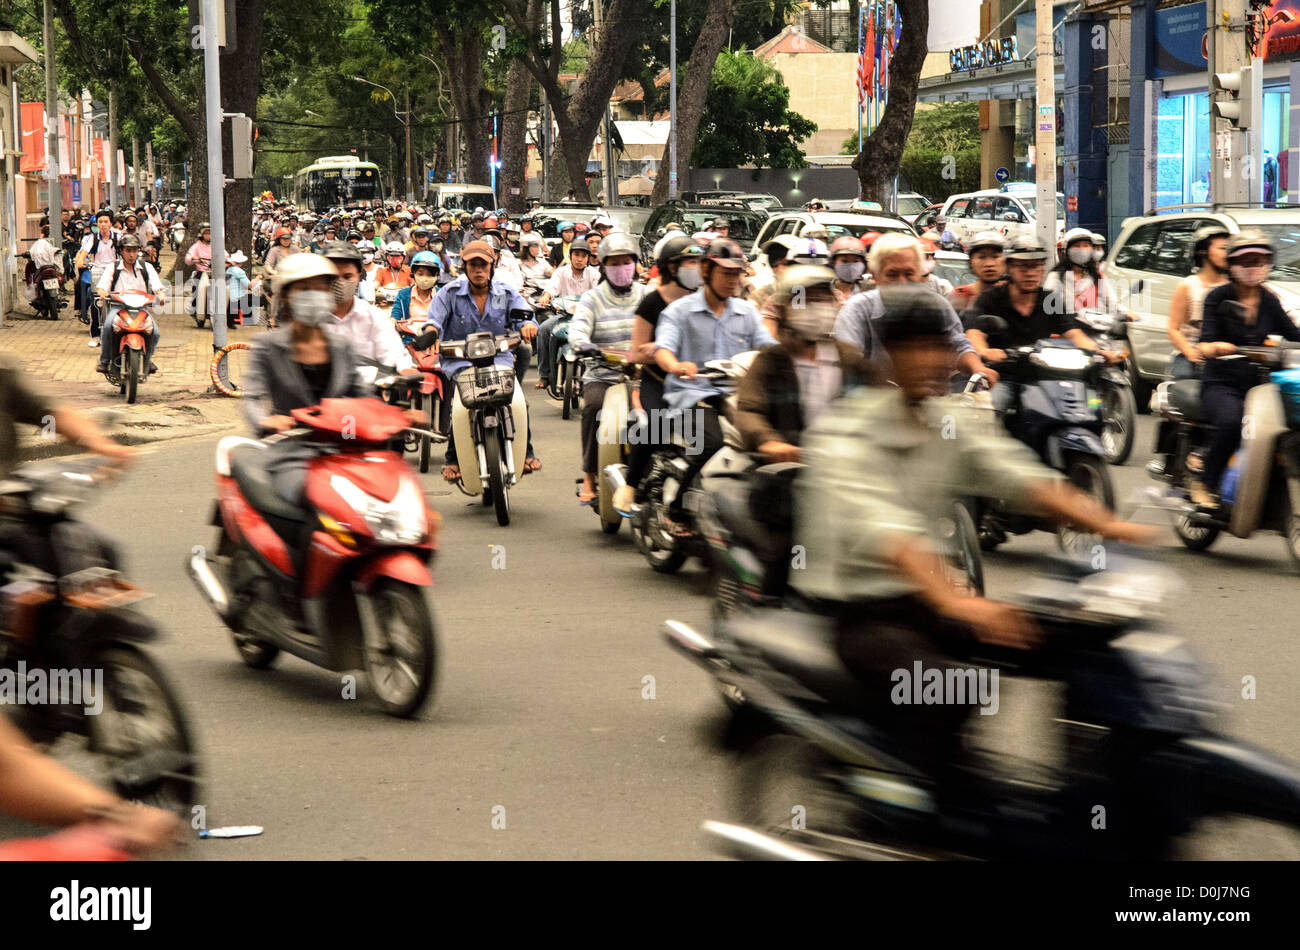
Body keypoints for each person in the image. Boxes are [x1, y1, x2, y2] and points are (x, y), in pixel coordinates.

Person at [793, 284, 1154, 792]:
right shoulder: (844, 435)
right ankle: (926, 812)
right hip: (864, 613)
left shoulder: (946, 421)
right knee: (956, 689)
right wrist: (963, 603)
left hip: (932, 604)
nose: (938, 360)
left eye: (942, 347)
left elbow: (1014, 474)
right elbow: (885, 530)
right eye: (920, 347)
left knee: (1076, 642)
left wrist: (1109, 523)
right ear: (890, 354)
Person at [653, 238, 778, 535]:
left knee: (766, 443)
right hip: (691, 395)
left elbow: (770, 350)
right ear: (706, 271)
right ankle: (677, 508)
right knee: (712, 444)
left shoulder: (746, 313)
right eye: (726, 273)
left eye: (737, 274)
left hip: (736, 396)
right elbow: (662, 349)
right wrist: (676, 366)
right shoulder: (679, 311)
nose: (733, 280)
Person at [241, 253, 376, 509]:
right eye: (305, 289)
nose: (315, 295)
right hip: (291, 453)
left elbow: (363, 395)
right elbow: (252, 399)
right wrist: (266, 421)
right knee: (319, 502)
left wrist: (395, 414)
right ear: (289, 295)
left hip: (343, 447)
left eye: (321, 288)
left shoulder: (341, 345)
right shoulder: (267, 346)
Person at [1193, 230, 1300, 507]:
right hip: (1222, 384)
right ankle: (1204, 482)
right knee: (1232, 422)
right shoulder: (1218, 297)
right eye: (1247, 260)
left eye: (1260, 259)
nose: (1254, 266)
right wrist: (1216, 347)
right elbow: (1204, 342)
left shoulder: (1269, 300)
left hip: (1261, 386)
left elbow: (1292, 334)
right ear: (1232, 264)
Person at [735, 265, 879, 464]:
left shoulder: (849, 358)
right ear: (784, 309)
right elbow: (749, 410)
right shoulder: (770, 361)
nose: (816, 307)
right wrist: (768, 441)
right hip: (785, 468)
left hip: (843, 466)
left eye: (822, 299)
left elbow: (882, 398)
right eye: (804, 299)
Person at [427, 240, 541, 481]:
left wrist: (529, 325)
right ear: (465, 266)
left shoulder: (506, 292)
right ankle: (454, 459)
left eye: (483, 265)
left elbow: (524, 315)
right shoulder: (449, 293)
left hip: (498, 357)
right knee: (460, 406)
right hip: (460, 361)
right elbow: (434, 321)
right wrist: (430, 332)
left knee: (517, 400)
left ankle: (527, 452)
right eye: (473, 265)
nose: (478, 270)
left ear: (493, 265)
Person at [835, 233, 996, 386]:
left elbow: (958, 345)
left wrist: (978, 370)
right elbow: (850, 358)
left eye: (909, 273)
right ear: (875, 275)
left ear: (920, 274)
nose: (902, 282)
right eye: (892, 274)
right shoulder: (856, 310)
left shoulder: (936, 305)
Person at [620, 237, 704, 514]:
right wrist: (662, 351)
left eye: (698, 262)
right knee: (654, 426)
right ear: (671, 267)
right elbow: (637, 352)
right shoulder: (652, 303)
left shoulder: (704, 300)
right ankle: (630, 485)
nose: (696, 268)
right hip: (658, 382)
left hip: (700, 383)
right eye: (689, 263)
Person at [320, 241, 414, 371]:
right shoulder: (311, 317)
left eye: (347, 276)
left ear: (358, 277)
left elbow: (395, 353)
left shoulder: (373, 316)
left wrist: (406, 371)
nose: (340, 282)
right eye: (333, 277)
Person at [534, 236, 600, 391]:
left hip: (586, 318)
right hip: (563, 316)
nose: (579, 259)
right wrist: (546, 296)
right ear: (570, 256)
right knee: (543, 329)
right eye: (576, 255)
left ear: (588, 259)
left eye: (583, 256)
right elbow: (551, 288)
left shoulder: (594, 275)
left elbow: (599, 294)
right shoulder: (561, 272)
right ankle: (544, 374)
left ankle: (596, 375)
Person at [95, 235, 167, 376]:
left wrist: (161, 295)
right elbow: (102, 287)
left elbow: (158, 287)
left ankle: (148, 358)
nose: (131, 254)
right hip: (118, 308)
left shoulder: (147, 268)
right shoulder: (113, 268)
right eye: (128, 250)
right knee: (108, 327)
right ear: (121, 251)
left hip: (141, 309)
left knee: (155, 332)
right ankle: (104, 361)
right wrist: (103, 293)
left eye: (134, 250)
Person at [1167, 225, 1229, 380]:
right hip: (1193, 359)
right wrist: (1190, 352)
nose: (1228, 254)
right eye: (1222, 248)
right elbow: (1173, 329)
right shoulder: (1189, 285)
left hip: (1227, 356)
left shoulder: (1234, 285)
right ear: (1203, 252)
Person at [1041, 228, 1124, 325]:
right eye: (1077, 246)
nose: (1082, 250)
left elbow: (1112, 303)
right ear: (1067, 251)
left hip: (1098, 331)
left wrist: (1125, 313)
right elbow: (1050, 311)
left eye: (1086, 245)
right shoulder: (1056, 277)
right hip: (1067, 333)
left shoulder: (1097, 277)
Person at [75, 210, 119, 346]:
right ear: (97, 224)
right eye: (100, 222)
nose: (103, 225)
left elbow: (125, 251)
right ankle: (96, 336)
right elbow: (83, 252)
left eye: (106, 222)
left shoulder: (118, 237)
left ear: (111, 223)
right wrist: (80, 261)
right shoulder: (92, 238)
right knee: (96, 303)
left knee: (117, 301)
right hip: (98, 272)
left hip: (114, 272)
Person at [948, 230, 1007, 317]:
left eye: (995, 257)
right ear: (971, 262)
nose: (989, 264)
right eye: (982, 257)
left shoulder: (1016, 296)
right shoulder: (960, 296)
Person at [390, 250, 442, 334]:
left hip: (434, 341)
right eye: (420, 274)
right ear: (413, 274)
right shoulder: (403, 294)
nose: (424, 278)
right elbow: (395, 317)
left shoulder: (442, 295)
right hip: (408, 340)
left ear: (437, 276)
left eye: (429, 274)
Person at [261, 226, 298, 328]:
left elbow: (302, 260)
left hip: (294, 277)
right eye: (284, 238)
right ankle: (273, 317)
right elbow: (268, 264)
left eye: (288, 238)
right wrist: (273, 272)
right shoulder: (274, 250)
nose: (286, 241)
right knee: (278, 291)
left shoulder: (295, 249)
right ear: (279, 239)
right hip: (279, 277)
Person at [828, 235, 871, 305]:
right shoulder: (825, 291)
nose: (851, 266)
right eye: (844, 261)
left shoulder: (867, 293)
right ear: (833, 263)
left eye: (856, 261)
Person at [226, 249, 251, 328]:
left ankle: (230, 321)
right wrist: (258, 278)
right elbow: (249, 285)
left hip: (228, 296)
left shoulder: (229, 270)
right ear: (240, 262)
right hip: (236, 299)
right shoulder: (239, 272)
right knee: (258, 300)